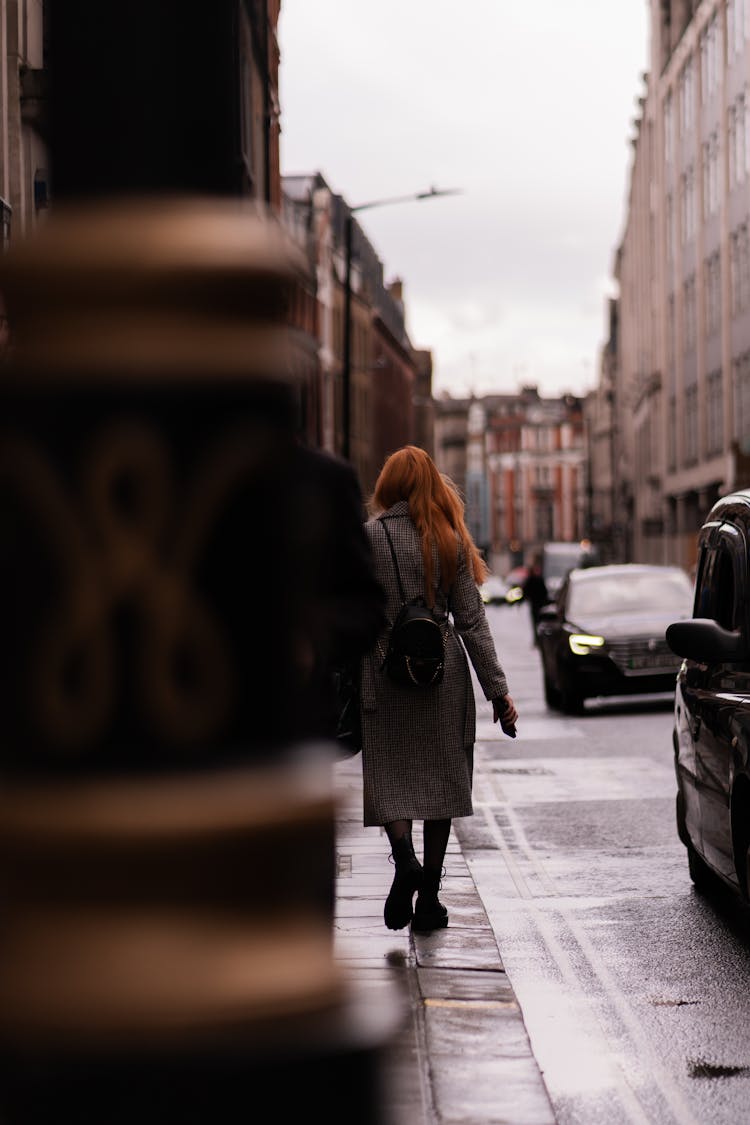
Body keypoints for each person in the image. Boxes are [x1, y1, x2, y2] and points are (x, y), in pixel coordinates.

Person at [359, 445, 518, 933]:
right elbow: (471, 621)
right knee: (440, 781)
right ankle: (428, 896)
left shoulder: (369, 537)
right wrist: (498, 692)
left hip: (385, 669)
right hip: (442, 674)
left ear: (389, 486)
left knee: (390, 774)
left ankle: (403, 859)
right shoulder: (451, 541)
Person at [521, 554, 549, 647]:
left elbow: (526, 591)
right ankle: (537, 639)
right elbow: (526, 591)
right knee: (536, 623)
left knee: (538, 623)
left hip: (538, 605)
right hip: (536, 604)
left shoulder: (536, 579)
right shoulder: (534, 579)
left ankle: (538, 639)